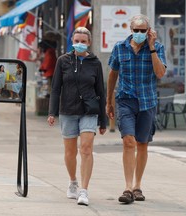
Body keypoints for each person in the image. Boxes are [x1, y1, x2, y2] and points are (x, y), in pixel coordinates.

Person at [106, 14, 167, 204]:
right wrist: (109, 101)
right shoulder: (119, 48)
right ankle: (127, 187)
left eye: (143, 30)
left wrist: (151, 48)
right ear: (130, 30)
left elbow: (160, 73)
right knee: (128, 141)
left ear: (148, 32)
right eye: (136, 30)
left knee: (142, 143)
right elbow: (112, 74)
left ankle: (137, 186)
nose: (139, 33)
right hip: (125, 100)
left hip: (147, 101)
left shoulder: (157, 48)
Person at [47, 27, 107, 206]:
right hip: (68, 111)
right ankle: (73, 181)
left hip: (89, 111)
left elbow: (101, 92)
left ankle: (84, 190)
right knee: (70, 152)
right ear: (72, 41)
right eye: (77, 40)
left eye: (83, 41)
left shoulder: (95, 63)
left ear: (89, 43)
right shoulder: (63, 61)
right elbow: (56, 88)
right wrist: (52, 112)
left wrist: (103, 120)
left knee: (86, 149)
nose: (80, 44)